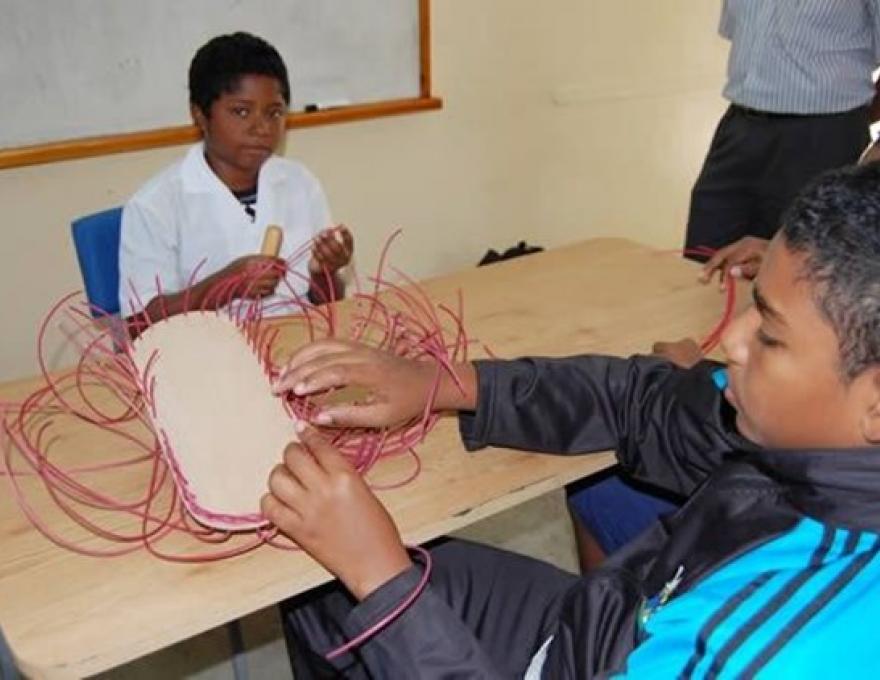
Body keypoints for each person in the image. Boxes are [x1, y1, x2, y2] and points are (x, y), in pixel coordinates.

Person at [264, 163, 880, 677]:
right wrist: (439, 382)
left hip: (598, 649)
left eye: (769, 333)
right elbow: (638, 402)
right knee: (317, 594)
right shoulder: (814, 435)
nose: (735, 342)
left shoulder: (770, 648)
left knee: (348, 586)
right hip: (599, 628)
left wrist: (384, 583)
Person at [118, 32, 353, 321]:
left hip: (297, 338)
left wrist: (325, 270)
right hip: (208, 352)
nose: (262, 128)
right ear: (200, 115)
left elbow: (328, 301)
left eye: (274, 113)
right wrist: (223, 286)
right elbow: (137, 324)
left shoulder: (299, 183)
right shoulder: (156, 204)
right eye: (241, 112)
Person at [684, 0, 880, 254]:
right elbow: (741, 32)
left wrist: (853, 121)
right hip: (740, 125)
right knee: (705, 249)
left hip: (822, 134)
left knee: (803, 258)